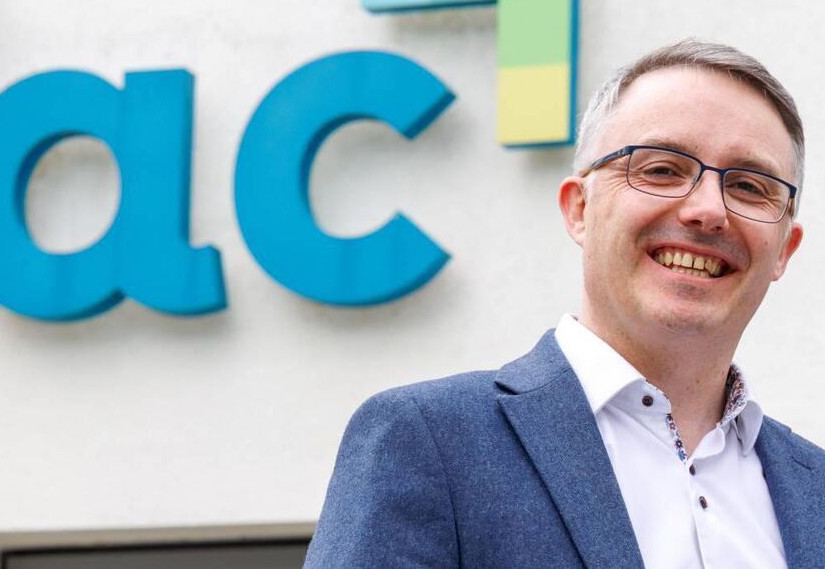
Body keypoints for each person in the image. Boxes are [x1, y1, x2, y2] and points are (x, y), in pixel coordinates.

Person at [304, 40, 825, 568]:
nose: (708, 210)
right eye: (662, 169)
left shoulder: (817, 493)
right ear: (579, 209)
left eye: (749, 186)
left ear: (785, 249)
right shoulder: (430, 441)